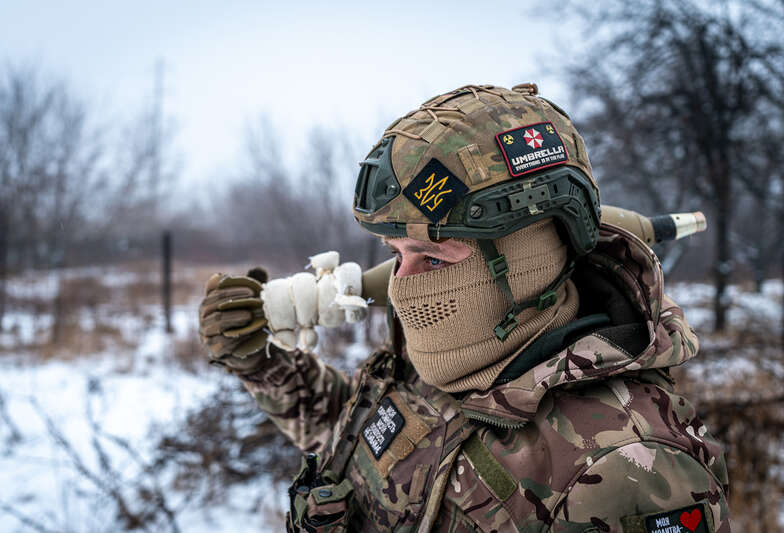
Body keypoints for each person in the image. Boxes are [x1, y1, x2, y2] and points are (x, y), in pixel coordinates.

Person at [199, 84, 730, 532]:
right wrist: (261, 363)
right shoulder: (455, 350)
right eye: (396, 256)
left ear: (531, 257)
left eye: (431, 258)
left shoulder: (624, 471)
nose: (402, 289)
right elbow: (371, 442)